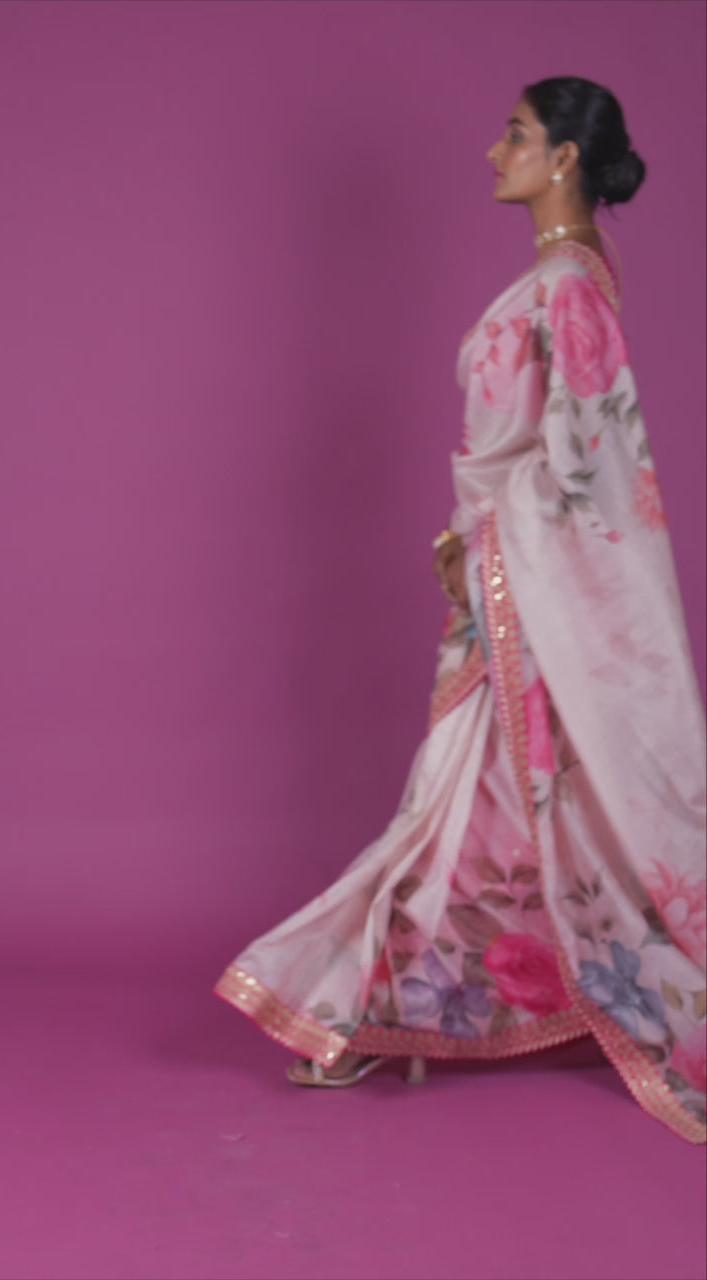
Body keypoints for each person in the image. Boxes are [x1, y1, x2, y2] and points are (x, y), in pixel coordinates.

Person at [214, 77, 706, 1144]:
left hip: (524, 582)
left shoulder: (568, 288)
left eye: (516, 134)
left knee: (454, 803)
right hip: (498, 576)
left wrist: (481, 543)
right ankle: (383, 1009)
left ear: (564, 157)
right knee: (474, 808)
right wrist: (468, 542)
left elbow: (589, 464)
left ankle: (360, 1014)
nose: (494, 151)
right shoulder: (558, 279)